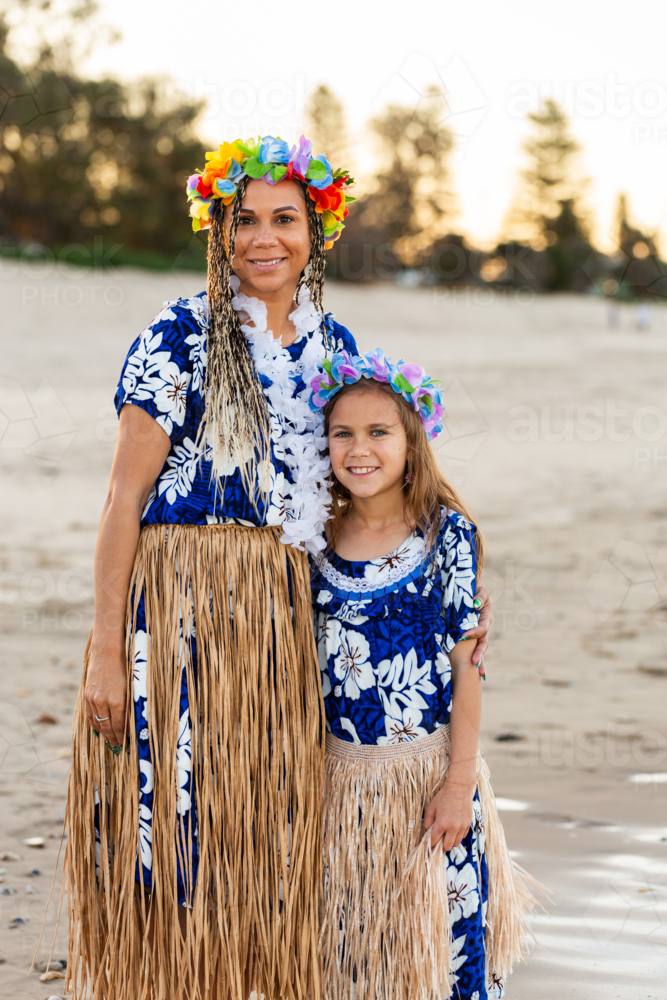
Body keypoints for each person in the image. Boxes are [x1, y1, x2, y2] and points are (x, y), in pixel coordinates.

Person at [54, 136, 493, 1000]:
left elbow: (368, 481)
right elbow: (120, 503)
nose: (264, 238)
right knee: (177, 828)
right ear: (218, 233)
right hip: (179, 607)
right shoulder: (175, 336)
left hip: (289, 619)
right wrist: (106, 652)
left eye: (284, 220)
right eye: (243, 220)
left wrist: (452, 570)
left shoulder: (336, 347)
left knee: (268, 836)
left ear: (316, 232)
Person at [308, 349, 544, 1000]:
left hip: (427, 782)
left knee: (441, 958)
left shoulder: (446, 535)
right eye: (342, 434)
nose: (360, 449)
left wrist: (458, 784)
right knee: (353, 963)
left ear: (411, 443)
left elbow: (467, 668)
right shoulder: (311, 539)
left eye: (378, 432)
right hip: (340, 789)